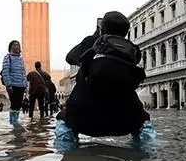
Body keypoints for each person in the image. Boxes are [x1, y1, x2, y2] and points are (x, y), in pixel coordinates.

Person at [55, 12, 155, 150]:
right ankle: (148, 149)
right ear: (126, 32)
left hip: (83, 120)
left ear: (102, 28)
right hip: (128, 120)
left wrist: (95, 36)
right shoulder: (133, 50)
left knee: (62, 119)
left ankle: (68, 154)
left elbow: (70, 57)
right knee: (144, 122)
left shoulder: (92, 43)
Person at [0, 40, 27, 128]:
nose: (17, 47)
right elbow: (5, 71)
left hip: (21, 85)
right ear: (10, 47)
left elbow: (23, 73)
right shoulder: (8, 57)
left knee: (18, 104)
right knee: (14, 104)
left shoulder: (20, 59)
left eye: (18, 45)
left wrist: (25, 84)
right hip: (13, 85)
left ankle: (15, 121)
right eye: (15, 45)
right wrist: (8, 85)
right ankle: (13, 121)